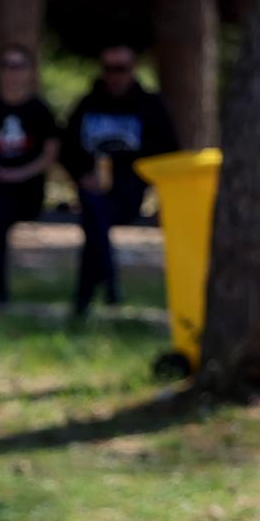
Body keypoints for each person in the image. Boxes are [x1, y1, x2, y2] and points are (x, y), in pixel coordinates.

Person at [60, 44, 179, 318]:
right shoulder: (88, 103)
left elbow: (169, 154)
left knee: (94, 217)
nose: (114, 76)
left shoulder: (150, 106)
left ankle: (89, 293)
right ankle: (107, 285)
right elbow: (67, 148)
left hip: (129, 192)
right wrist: (82, 174)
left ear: (133, 69)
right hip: (92, 190)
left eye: (121, 69)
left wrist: (162, 198)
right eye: (108, 69)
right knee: (94, 208)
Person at [0, 43, 60, 312]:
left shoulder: (40, 110)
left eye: (19, 66)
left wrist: (17, 174)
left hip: (27, 189)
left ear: (30, 71)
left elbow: (49, 157)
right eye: (7, 65)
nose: (12, 72)